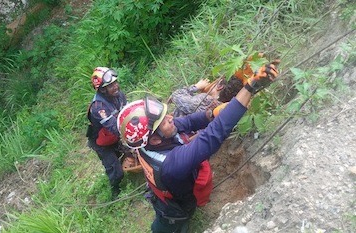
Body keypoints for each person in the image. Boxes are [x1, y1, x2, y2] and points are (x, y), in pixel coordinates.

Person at [117, 62, 279, 232]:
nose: (171, 118)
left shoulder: (149, 140)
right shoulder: (171, 164)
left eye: (167, 115)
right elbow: (211, 137)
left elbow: (186, 122)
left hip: (168, 191)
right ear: (156, 140)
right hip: (174, 208)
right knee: (172, 225)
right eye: (164, 121)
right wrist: (249, 88)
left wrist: (211, 114)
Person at [86, 66, 133, 200]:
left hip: (113, 138)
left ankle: (120, 153)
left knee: (130, 153)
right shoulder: (98, 107)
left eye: (115, 82)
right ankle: (115, 192)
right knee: (116, 171)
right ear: (102, 89)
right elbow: (114, 127)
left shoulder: (119, 95)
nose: (115, 86)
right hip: (102, 143)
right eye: (110, 85)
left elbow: (128, 112)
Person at [170, 75, 243, 117]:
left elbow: (176, 96)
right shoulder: (223, 109)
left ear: (219, 86)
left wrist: (196, 87)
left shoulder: (205, 100)